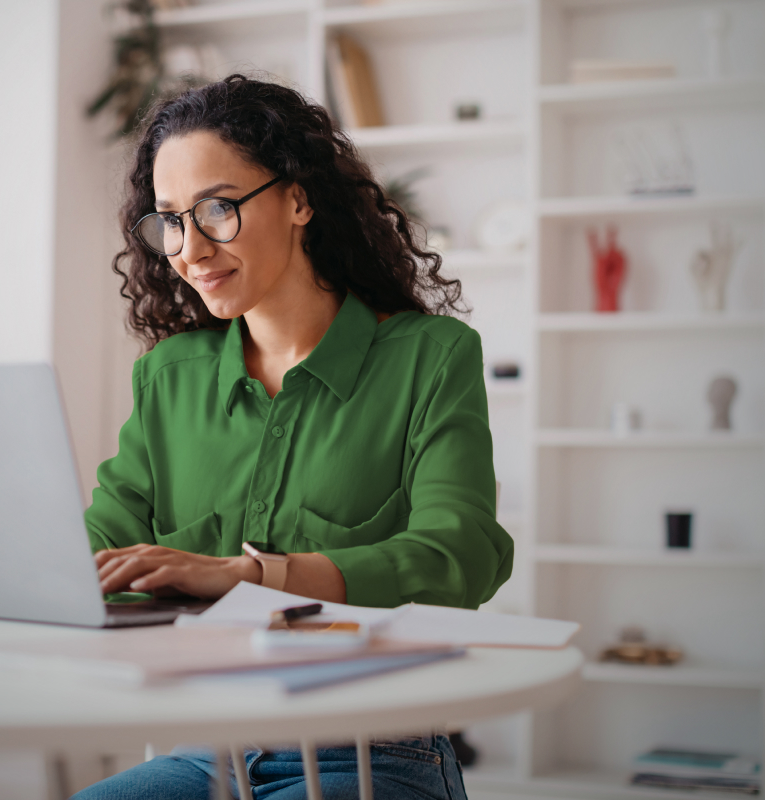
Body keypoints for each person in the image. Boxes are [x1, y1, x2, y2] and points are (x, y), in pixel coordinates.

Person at [77, 75, 512, 800]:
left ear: (298, 199)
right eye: (170, 220)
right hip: (206, 748)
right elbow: (101, 559)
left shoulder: (429, 358)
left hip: (374, 751)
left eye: (218, 208)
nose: (189, 249)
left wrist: (258, 577)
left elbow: (460, 555)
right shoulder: (169, 377)